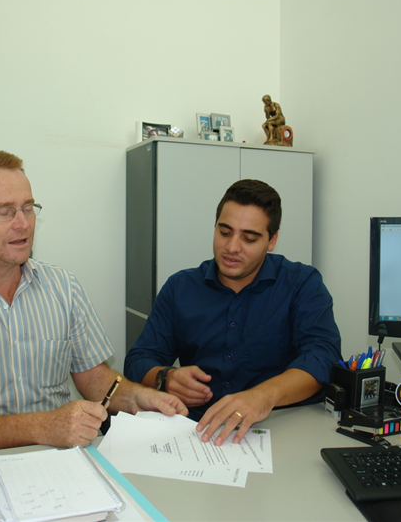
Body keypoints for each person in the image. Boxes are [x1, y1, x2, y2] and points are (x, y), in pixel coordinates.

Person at [0, 149, 186, 453]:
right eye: (4, 211)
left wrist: (138, 397)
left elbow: (94, 378)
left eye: (28, 207)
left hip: (59, 465)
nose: (23, 223)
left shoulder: (62, 287)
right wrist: (43, 426)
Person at [124, 179, 341, 446]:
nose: (232, 247)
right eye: (224, 232)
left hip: (281, 427)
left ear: (272, 241)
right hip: (200, 432)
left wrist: (263, 396)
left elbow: (323, 356)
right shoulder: (180, 288)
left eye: (249, 238)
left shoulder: (302, 284)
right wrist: (165, 378)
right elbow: (139, 359)